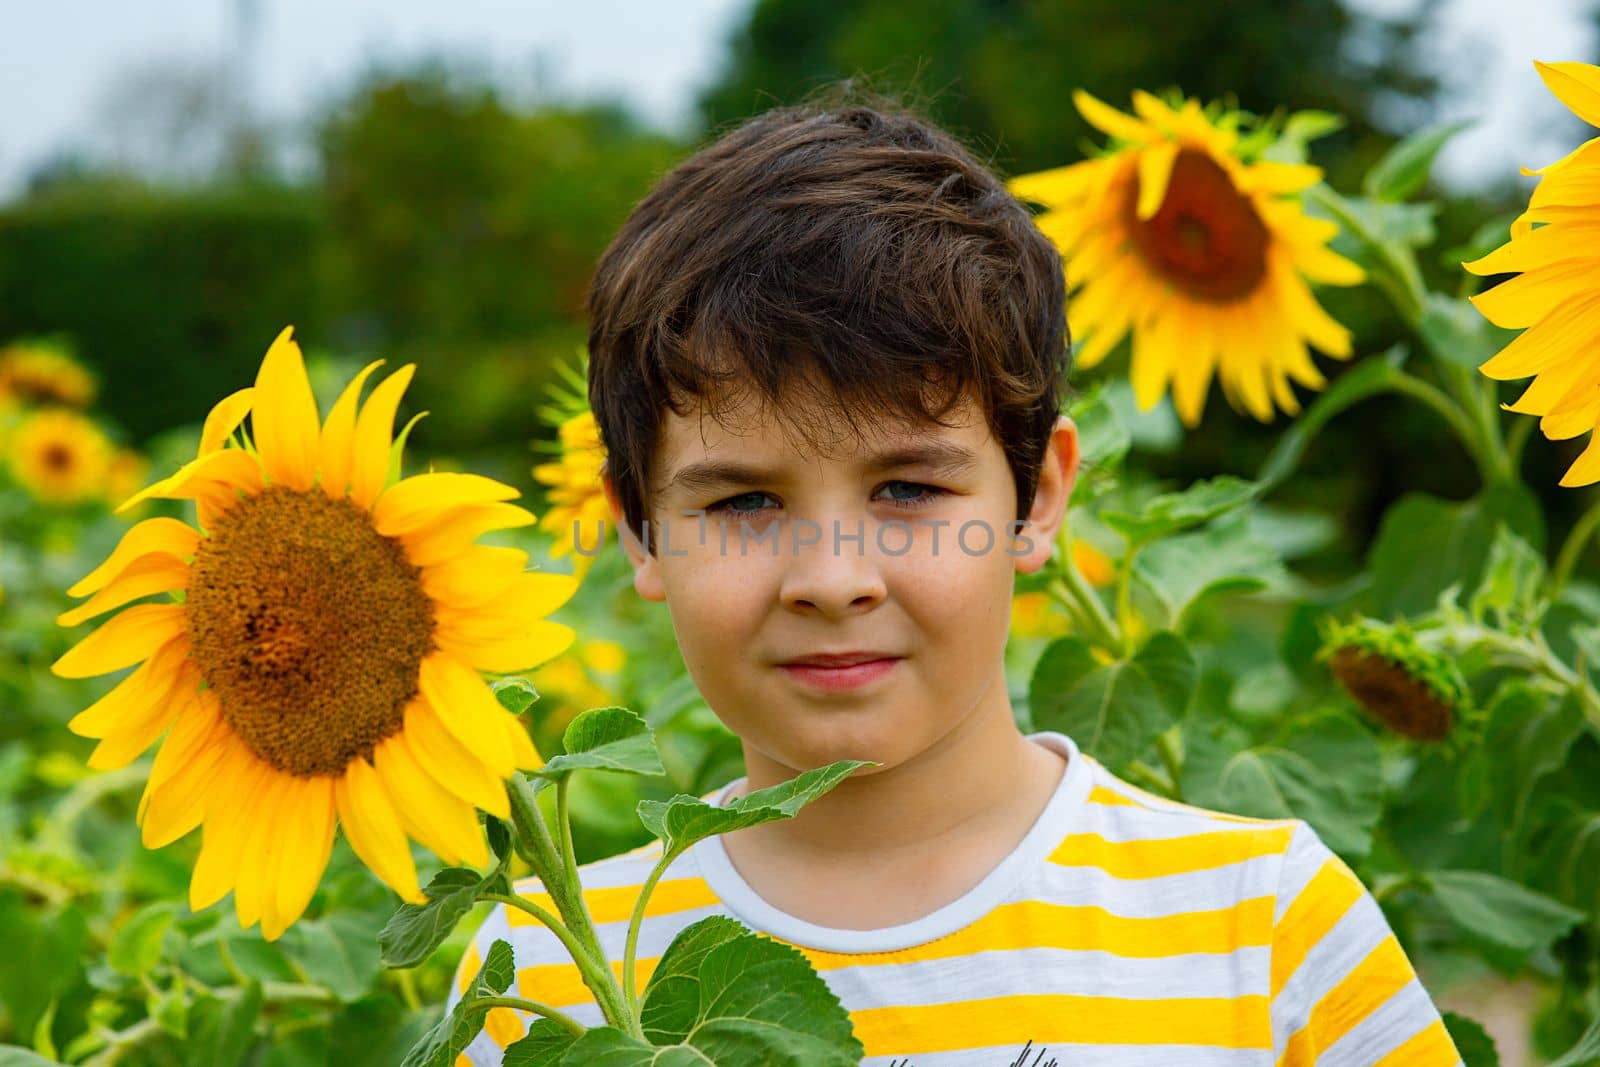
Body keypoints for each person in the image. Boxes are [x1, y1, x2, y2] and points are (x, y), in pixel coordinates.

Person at [450, 94, 1464, 1066]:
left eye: (906, 487)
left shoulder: (1266, 925)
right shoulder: (538, 985)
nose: (832, 578)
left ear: (1035, 496)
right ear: (636, 526)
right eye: (743, 503)